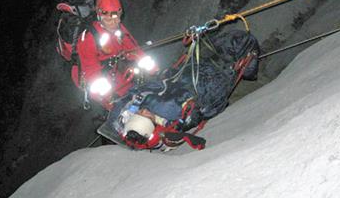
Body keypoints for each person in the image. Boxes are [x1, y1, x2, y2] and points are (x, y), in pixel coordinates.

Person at [101, 28, 260, 150]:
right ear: (151, 122)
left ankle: (248, 69)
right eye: (143, 115)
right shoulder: (164, 108)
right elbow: (209, 104)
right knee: (241, 41)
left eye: (138, 114)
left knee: (231, 45)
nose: (141, 111)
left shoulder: (169, 123)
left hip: (196, 73)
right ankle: (250, 71)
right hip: (205, 75)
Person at [73, 0, 157, 110]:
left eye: (118, 18)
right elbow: (91, 73)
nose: (115, 23)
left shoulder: (117, 27)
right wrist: (107, 98)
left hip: (114, 68)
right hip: (94, 75)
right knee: (121, 106)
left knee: (135, 93)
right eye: (109, 20)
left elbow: (133, 49)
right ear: (99, 16)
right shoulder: (87, 39)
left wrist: (149, 65)